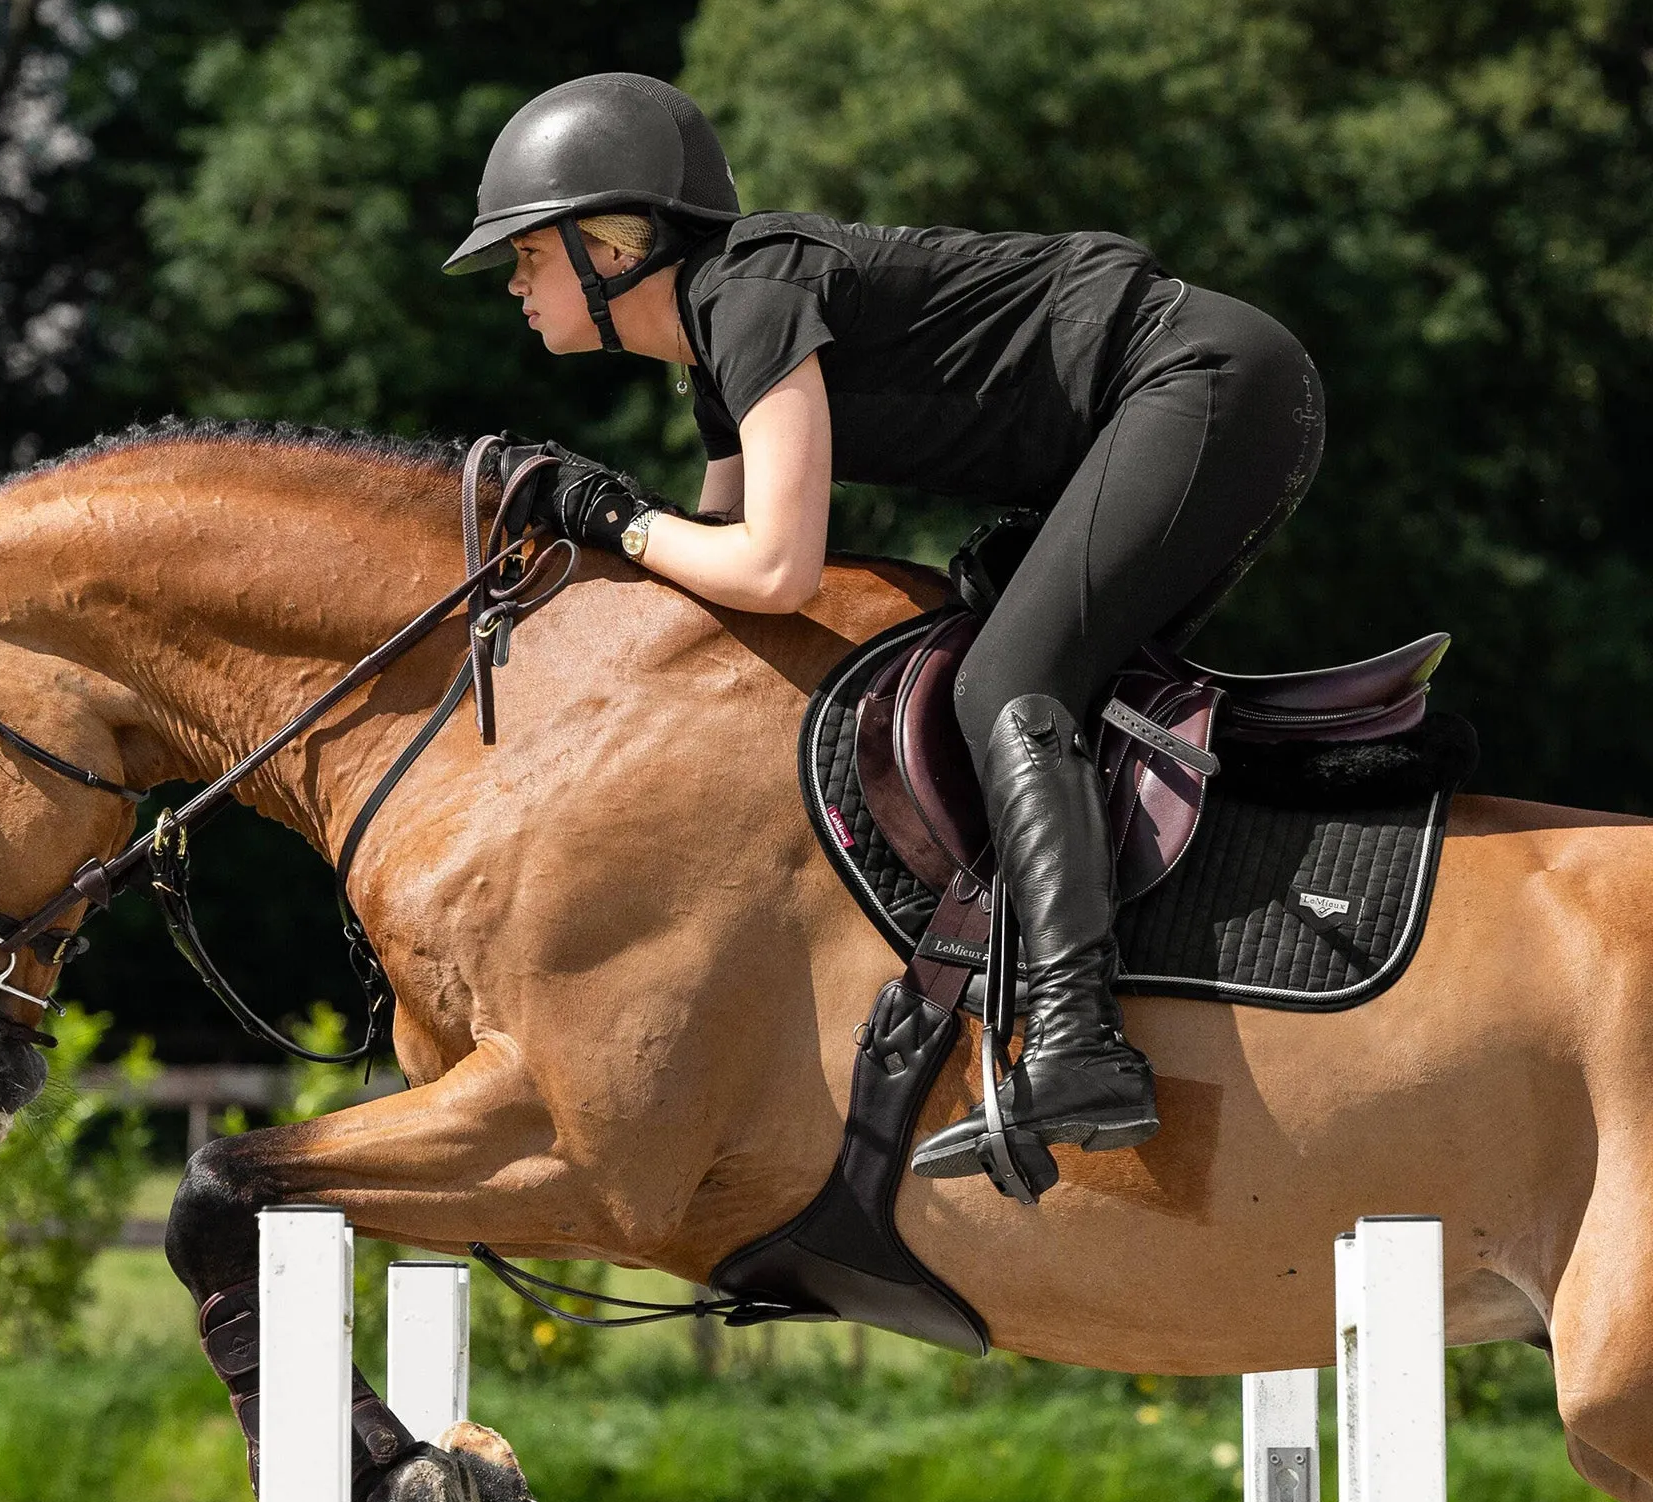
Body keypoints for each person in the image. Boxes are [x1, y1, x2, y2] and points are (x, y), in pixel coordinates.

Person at [444, 73, 1324, 1192]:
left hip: (1202, 378)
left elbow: (773, 564)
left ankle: (1076, 1042)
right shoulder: (720, 348)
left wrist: (616, 514)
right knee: (1017, 673)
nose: (512, 282)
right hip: (1196, 390)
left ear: (613, 250)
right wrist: (591, 543)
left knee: (1007, 679)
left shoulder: (745, 298)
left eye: (527, 253)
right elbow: (710, 563)